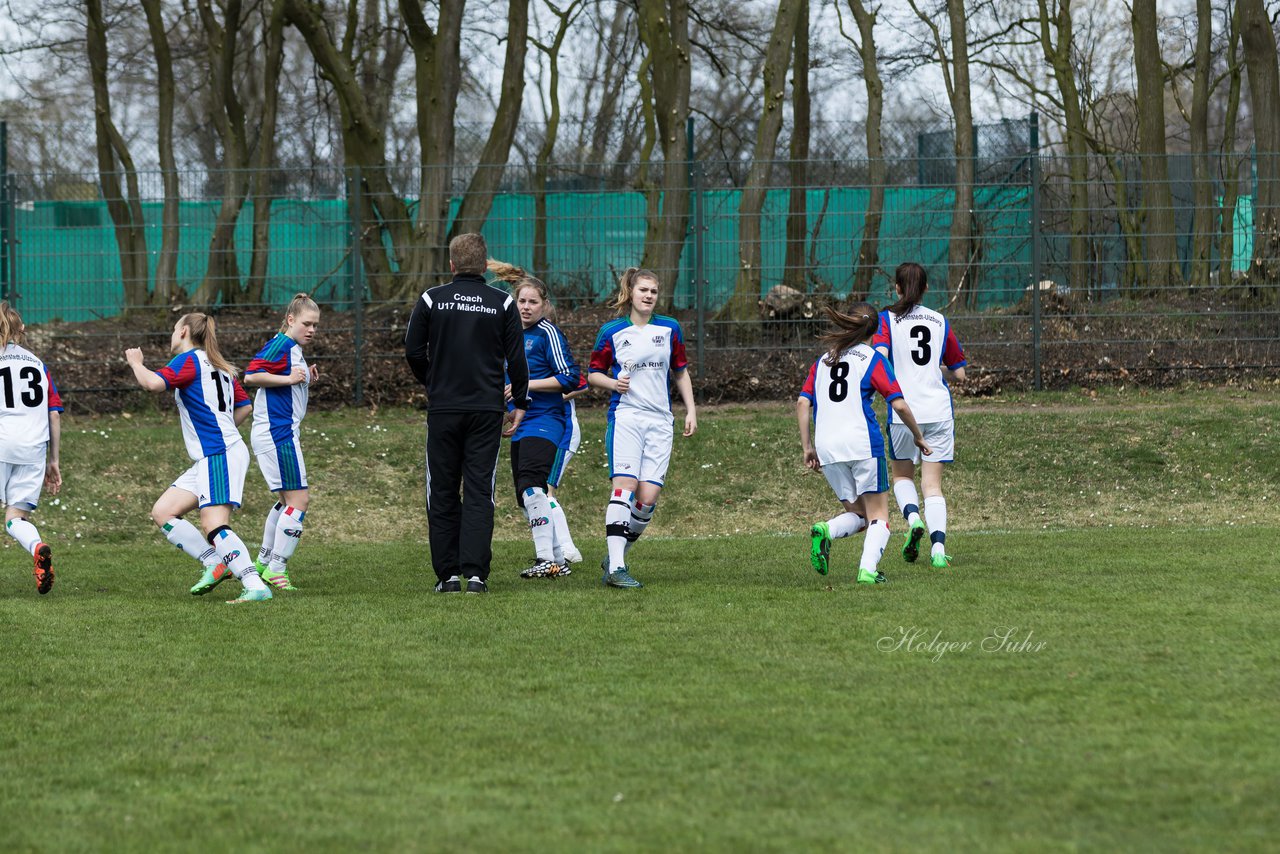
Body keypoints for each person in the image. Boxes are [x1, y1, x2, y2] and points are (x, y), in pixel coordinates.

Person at [404, 233, 529, 594]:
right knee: (479, 490)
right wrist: (519, 402)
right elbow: (517, 358)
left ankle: (448, 577)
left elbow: (413, 349)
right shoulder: (502, 302)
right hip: (486, 410)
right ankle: (476, 575)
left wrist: (433, 381)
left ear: (452, 264)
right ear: (485, 264)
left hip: (443, 409)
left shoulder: (432, 299)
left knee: (441, 490)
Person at [125, 313, 271, 604]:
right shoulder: (219, 365)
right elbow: (245, 407)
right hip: (213, 453)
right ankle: (213, 563)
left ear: (184, 332)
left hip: (219, 453)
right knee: (163, 511)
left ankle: (254, 583)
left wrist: (135, 363)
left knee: (213, 523)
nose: (171, 335)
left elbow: (152, 384)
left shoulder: (189, 360)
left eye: (173, 329)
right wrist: (220, 426)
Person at [798, 302, 931, 585]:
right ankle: (868, 569)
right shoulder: (872, 359)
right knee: (879, 516)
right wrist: (918, 436)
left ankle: (827, 530)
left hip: (828, 448)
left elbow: (802, 401)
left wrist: (807, 447)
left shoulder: (822, 361)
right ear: (874, 330)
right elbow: (900, 405)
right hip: (862, 444)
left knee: (859, 514)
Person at [587, 268, 697, 589]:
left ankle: (615, 555)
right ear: (630, 292)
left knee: (647, 498)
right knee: (624, 487)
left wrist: (691, 410)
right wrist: (613, 382)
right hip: (626, 418)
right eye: (643, 290)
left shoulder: (670, 328)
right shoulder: (612, 331)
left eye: (653, 291)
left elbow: (681, 372)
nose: (648, 296)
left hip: (661, 422)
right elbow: (593, 374)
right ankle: (618, 567)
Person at [488, 260, 581, 580]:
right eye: (522, 301)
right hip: (523, 421)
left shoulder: (547, 333)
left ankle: (546, 558)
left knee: (531, 484)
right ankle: (557, 559)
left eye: (533, 302)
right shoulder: (506, 332)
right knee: (527, 494)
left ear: (545, 306)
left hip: (548, 419)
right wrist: (510, 407)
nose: (526, 307)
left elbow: (571, 378)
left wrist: (526, 384)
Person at [872, 262, 967, 568]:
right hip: (938, 412)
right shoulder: (939, 321)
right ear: (926, 289)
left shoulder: (886, 320)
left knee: (901, 475)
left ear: (897, 289)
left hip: (904, 411)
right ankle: (938, 549)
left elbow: (881, 359)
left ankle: (913, 519)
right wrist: (933, 370)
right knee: (933, 486)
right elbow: (960, 373)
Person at [243, 293, 321, 591]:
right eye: (306, 323)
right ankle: (276, 568)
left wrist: (303, 378)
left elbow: (281, 376)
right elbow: (251, 374)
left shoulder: (293, 347)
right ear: (290, 320)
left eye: (315, 325)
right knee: (299, 501)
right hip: (278, 434)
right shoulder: (281, 344)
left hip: (279, 433)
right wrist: (290, 379)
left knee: (286, 502)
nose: (311, 330)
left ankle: (264, 561)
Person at [0, 302, 62, 594]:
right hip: (34, 448)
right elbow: (53, 413)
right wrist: (54, 461)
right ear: (20, 330)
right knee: (15, 518)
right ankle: (37, 546)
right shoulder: (38, 364)